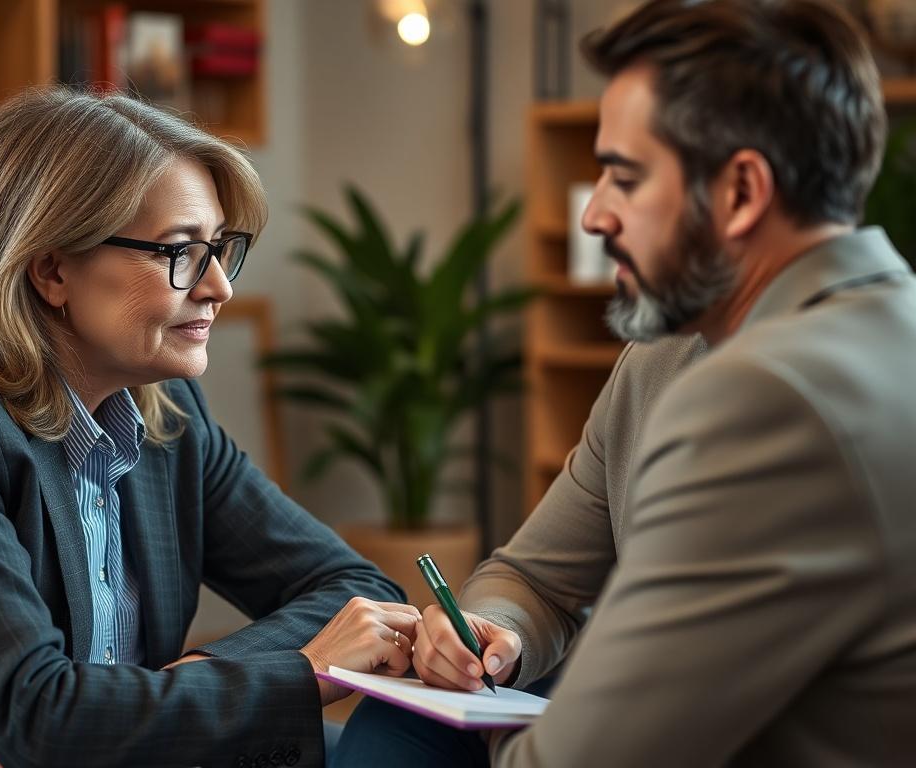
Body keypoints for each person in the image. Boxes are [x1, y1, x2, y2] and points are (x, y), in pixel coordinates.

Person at [337, 0, 916, 765]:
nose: (595, 215)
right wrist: (498, 634)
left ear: (742, 192)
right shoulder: (674, 355)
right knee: (403, 728)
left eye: (625, 177)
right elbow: (535, 576)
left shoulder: (771, 395)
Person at [0, 87, 420, 768]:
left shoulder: (167, 413)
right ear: (52, 270)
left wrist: (194, 674)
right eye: (180, 251)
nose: (219, 287)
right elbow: (36, 715)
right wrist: (303, 672)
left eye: (219, 248)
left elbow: (355, 590)